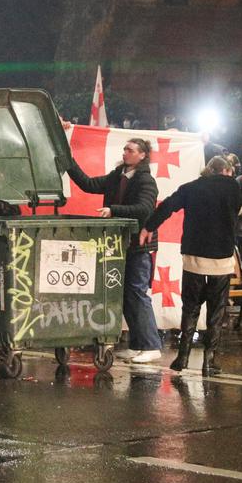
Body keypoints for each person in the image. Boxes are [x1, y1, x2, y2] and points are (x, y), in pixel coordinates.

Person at [65, 137, 162, 364]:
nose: (125, 152)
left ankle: (151, 345)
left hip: (138, 245)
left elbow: (144, 209)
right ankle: (138, 345)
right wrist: (68, 162)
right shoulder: (117, 176)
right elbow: (88, 184)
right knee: (127, 295)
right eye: (125, 149)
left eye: (130, 150)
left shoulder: (146, 181)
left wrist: (113, 210)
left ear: (142, 155)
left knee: (137, 294)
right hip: (120, 245)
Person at [139, 155, 240, 373]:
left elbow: (167, 207)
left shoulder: (191, 188)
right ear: (226, 171)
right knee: (216, 311)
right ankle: (209, 360)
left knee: (191, 307)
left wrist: (149, 227)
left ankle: (182, 357)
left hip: (194, 258)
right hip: (221, 260)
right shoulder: (234, 187)